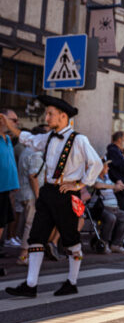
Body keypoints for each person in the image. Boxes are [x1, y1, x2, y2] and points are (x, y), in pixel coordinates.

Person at [2, 96, 101, 297]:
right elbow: (28, 138)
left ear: (63, 116)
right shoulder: (48, 137)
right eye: (46, 113)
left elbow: (96, 163)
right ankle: (31, 284)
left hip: (67, 194)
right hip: (48, 192)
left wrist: (79, 183)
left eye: (50, 114)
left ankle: (72, 282)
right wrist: (9, 127)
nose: (46, 117)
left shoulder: (79, 139)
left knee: (70, 239)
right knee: (36, 236)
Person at [15, 125, 48, 265]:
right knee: (30, 223)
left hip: (23, 192)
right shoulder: (36, 154)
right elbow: (33, 176)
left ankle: (26, 253)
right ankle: (23, 255)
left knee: (27, 222)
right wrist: (38, 196)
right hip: (31, 193)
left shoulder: (26, 151)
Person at [93, 159, 124, 253]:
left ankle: (116, 244)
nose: (108, 168)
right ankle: (105, 243)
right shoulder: (93, 177)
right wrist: (114, 186)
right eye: (106, 166)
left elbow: (112, 189)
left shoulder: (107, 178)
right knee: (111, 218)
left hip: (114, 208)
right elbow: (97, 185)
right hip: (101, 208)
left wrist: (119, 186)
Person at [0, 108, 20, 258]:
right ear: (2, 119)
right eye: (13, 120)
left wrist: (14, 184)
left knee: (2, 223)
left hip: (6, 189)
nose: (17, 123)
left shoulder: (7, 140)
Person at [106, 131, 124, 210]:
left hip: (122, 187)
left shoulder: (118, 151)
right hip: (118, 187)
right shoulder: (113, 150)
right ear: (119, 140)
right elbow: (118, 167)